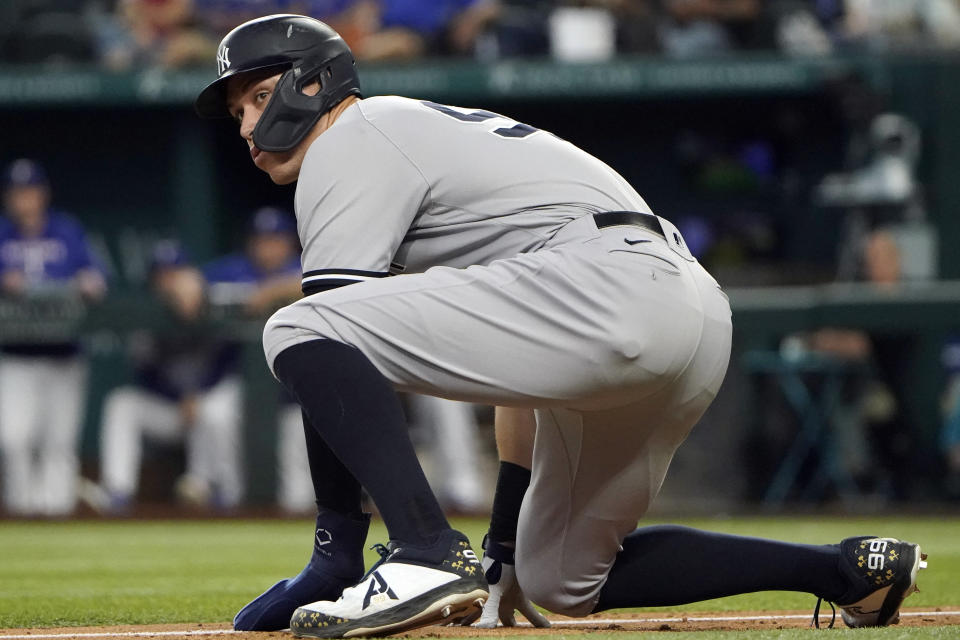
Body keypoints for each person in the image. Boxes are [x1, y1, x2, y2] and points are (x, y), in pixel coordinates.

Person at [194, 15, 926, 636]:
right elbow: (517, 368)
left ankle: (422, 548)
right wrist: (507, 545)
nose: (250, 125)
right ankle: (848, 571)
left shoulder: (352, 135)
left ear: (314, 83)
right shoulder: (408, 137)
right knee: (562, 577)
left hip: (612, 285)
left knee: (299, 325)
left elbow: (329, 328)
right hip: (685, 311)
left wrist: (335, 554)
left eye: (261, 96)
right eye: (237, 115)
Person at [98, 240, 243, 513]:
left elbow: (229, 359)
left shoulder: (214, 301)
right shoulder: (147, 316)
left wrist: (198, 392)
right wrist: (181, 397)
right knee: (122, 404)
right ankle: (118, 492)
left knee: (217, 409)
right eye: (160, 275)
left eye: (173, 273)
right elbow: (146, 372)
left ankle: (221, 490)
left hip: (208, 399)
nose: (168, 282)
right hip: (172, 407)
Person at [0, 158, 107, 517]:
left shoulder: (66, 230)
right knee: (14, 439)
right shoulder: (2, 233)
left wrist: (88, 282)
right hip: (16, 354)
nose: (24, 199)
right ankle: (21, 515)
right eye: (17, 192)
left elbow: (96, 278)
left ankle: (57, 519)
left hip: (65, 352)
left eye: (30, 190)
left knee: (59, 444)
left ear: (42, 194)